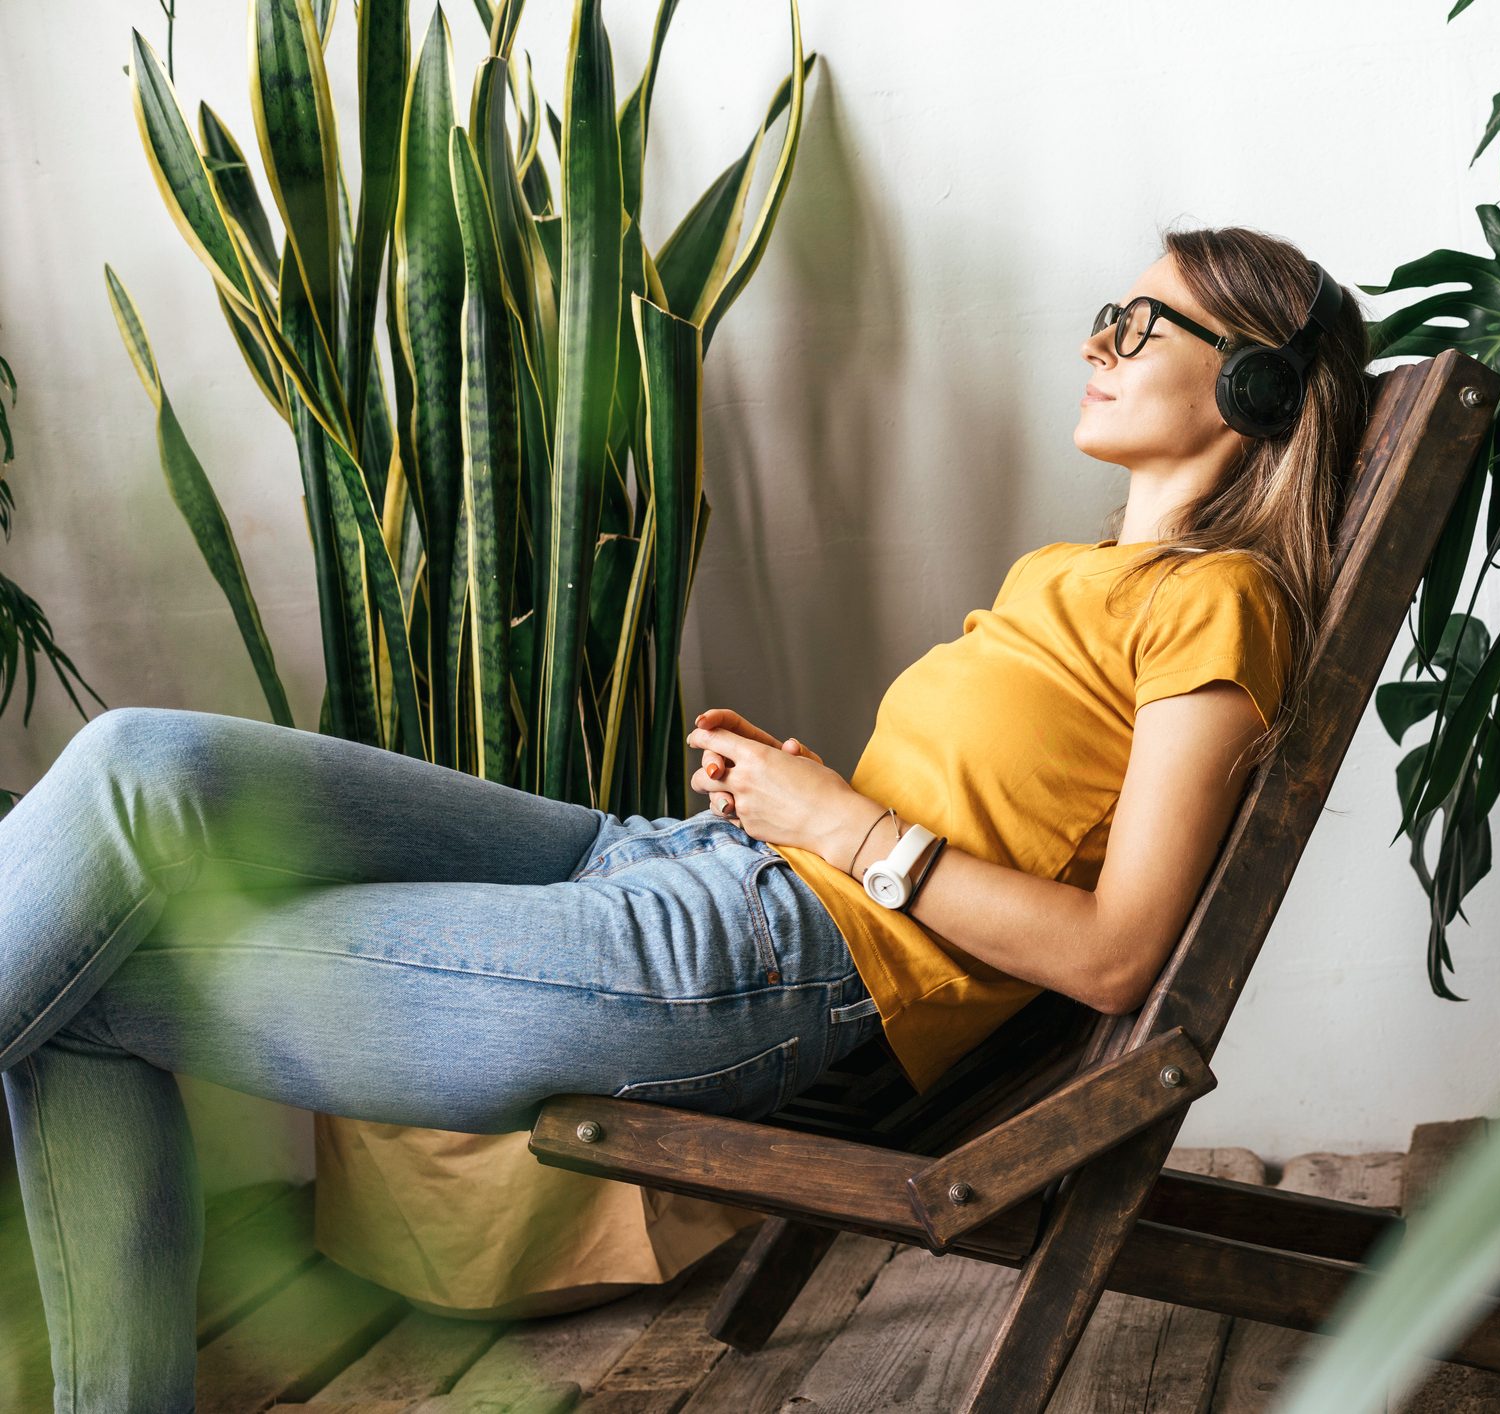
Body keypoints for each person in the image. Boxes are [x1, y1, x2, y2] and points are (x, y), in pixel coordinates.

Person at [0, 223, 1371, 1411]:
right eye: (1107, 314)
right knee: (144, 764)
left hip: (741, 961)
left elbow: (1117, 954)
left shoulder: (1222, 606)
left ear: (1250, 381)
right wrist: (802, 795)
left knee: (93, 967)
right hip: (689, 869)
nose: (1105, 337)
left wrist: (838, 825)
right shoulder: (1065, 570)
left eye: (1144, 321)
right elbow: (974, 810)